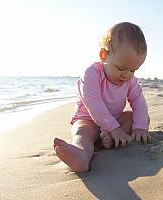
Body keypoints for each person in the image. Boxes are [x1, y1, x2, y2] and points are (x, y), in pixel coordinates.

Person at [53, 22, 150, 172]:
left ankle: (109, 141)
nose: (127, 75)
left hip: (115, 122)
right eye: (121, 68)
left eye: (133, 70)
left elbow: (139, 101)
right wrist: (114, 128)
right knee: (82, 133)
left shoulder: (129, 80)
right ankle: (81, 156)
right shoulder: (92, 73)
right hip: (88, 119)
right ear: (104, 55)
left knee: (137, 117)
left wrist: (141, 127)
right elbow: (94, 104)